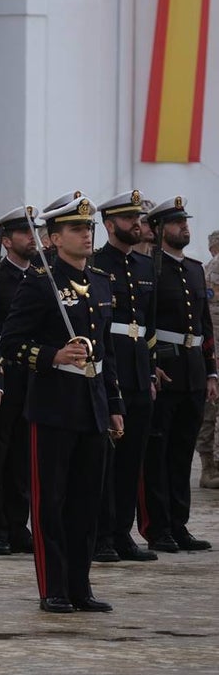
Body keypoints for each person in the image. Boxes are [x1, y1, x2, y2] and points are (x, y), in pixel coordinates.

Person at [0, 195, 123, 613]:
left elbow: (106, 352)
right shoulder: (40, 282)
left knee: (87, 503)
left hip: (92, 405)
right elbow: (12, 343)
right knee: (51, 502)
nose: (86, 234)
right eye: (76, 229)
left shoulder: (102, 282)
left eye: (89, 228)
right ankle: (53, 588)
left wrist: (115, 405)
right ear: (53, 238)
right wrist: (53, 355)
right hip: (54, 406)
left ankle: (79, 586)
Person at [140, 196, 218, 553]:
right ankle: (158, 527)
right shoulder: (147, 269)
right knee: (158, 453)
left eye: (184, 221)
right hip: (165, 371)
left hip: (193, 372)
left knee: (182, 451)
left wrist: (212, 372)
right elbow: (143, 324)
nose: (184, 227)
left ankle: (179, 523)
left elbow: (204, 327)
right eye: (175, 223)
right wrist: (148, 363)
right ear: (157, 231)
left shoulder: (194, 268)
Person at [91, 191, 159, 563]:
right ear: (109, 223)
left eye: (139, 218)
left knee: (133, 458)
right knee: (106, 460)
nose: (138, 224)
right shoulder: (97, 265)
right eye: (129, 218)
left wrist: (149, 371)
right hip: (108, 372)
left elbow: (147, 328)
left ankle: (123, 533)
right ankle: (101, 535)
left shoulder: (146, 268)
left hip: (137, 374)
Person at [0, 206, 36, 556]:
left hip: (33, 377)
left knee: (23, 456)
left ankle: (19, 525)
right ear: (6, 240)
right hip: (5, 375)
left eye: (34, 231)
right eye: (24, 233)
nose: (33, 238)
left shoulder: (41, 278)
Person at [196, 229, 219, 488]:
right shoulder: (212, 269)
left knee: (210, 408)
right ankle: (210, 466)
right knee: (212, 408)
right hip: (213, 348)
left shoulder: (203, 269)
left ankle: (209, 466)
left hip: (209, 348)